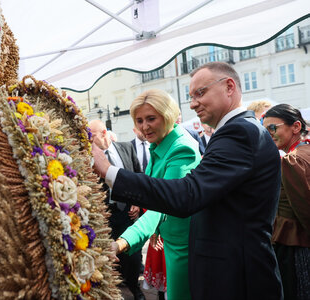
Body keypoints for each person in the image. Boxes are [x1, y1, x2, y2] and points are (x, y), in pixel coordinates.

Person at [92, 62, 283, 300]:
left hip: (234, 273)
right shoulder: (234, 131)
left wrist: (110, 171)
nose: (193, 103)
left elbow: (184, 195)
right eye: (191, 96)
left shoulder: (238, 132)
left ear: (229, 87)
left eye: (200, 93)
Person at [112, 89, 201, 300]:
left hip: (185, 247)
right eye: (140, 120)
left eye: (151, 118)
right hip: (171, 241)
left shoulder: (181, 149)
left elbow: (160, 206)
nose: (144, 126)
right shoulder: (160, 143)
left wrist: (121, 243)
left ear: (168, 115)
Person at [88, 119, 146, 300]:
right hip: (105, 215)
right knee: (110, 256)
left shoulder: (126, 148)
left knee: (134, 256)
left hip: (128, 213)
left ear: (104, 133)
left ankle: (135, 288)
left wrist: (137, 202)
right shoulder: (88, 157)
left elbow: (138, 175)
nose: (88, 140)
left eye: (91, 136)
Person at [263, 104, 310, 300]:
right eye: (265, 129)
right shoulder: (304, 151)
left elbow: (305, 209)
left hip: (295, 244)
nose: (268, 134)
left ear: (296, 127)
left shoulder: (292, 160)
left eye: (273, 128)